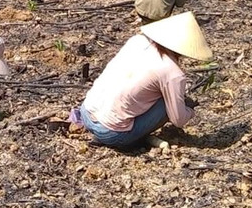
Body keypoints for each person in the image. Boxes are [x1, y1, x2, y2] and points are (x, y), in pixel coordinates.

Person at [74, 12, 211, 150]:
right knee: (169, 104)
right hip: (110, 133)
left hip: (86, 112)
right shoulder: (173, 73)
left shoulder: (137, 41)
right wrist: (189, 110)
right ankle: (131, 139)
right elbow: (179, 120)